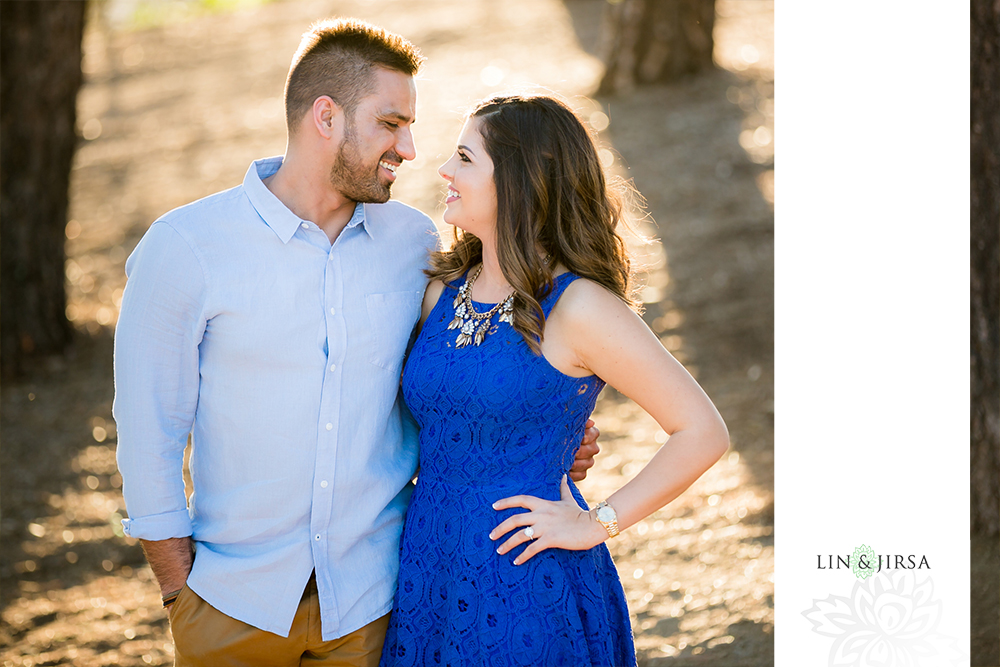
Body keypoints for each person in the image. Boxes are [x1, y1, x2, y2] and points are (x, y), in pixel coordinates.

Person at [113, 21, 598, 667]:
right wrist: (180, 594)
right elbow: (149, 431)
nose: (410, 148)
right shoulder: (186, 249)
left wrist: (551, 431)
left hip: (379, 606)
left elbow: (461, 373)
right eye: (391, 123)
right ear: (326, 117)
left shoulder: (413, 243)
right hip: (231, 610)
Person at [379, 95, 730, 667]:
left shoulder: (580, 308)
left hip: (526, 578)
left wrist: (599, 522)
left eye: (465, 158)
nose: (444, 169)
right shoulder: (439, 293)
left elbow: (702, 431)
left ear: (520, 183)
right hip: (427, 568)